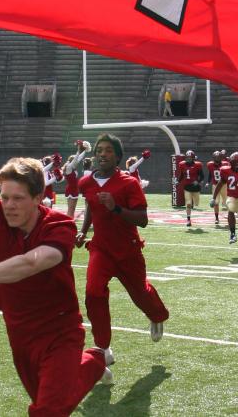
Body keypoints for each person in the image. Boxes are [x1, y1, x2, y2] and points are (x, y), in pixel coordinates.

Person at [0, 105, 110, 416]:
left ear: (39, 198)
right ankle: (92, 362)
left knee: (48, 411)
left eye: (18, 198)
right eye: (5, 197)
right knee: (52, 403)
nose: (8, 206)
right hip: (19, 331)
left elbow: (33, 262)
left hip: (59, 331)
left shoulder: (58, 226)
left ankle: (89, 361)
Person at [76, 134, 170, 361]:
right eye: (99, 150)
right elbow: (91, 206)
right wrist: (83, 229)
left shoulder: (129, 183)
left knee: (139, 293)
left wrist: (115, 208)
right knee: (93, 292)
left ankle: (156, 315)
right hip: (101, 248)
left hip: (127, 250)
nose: (102, 154)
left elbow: (142, 219)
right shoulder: (86, 182)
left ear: (117, 156)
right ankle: (103, 347)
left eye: (108, 150)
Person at [213, 152, 238, 248]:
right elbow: (220, 184)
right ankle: (232, 234)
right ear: (233, 163)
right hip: (232, 197)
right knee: (231, 209)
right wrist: (213, 198)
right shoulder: (225, 171)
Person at [63, 141, 92, 219]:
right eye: (74, 162)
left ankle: (70, 223)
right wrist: (79, 150)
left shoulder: (72, 167)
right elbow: (76, 159)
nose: (76, 163)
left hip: (74, 189)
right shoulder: (69, 168)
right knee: (71, 210)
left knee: (72, 209)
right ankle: (69, 223)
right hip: (71, 190)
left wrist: (85, 150)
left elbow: (78, 159)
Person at [178, 150, 204, 227]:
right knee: (188, 204)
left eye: (190, 157)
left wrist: (198, 181)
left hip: (195, 188)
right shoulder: (182, 165)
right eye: (188, 157)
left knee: (196, 204)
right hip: (187, 187)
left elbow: (202, 176)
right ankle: (188, 219)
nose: (188, 159)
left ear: (193, 158)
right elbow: (182, 175)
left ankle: (193, 204)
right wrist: (178, 181)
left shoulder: (197, 165)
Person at [206, 151, 227, 224]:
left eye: (218, 157)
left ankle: (231, 214)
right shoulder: (210, 165)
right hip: (215, 185)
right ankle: (217, 218)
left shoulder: (225, 164)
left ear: (221, 158)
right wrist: (208, 182)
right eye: (216, 157)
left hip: (224, 185)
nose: (217, 159)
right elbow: (210, 174)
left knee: (227, 202)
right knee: (216, 202)